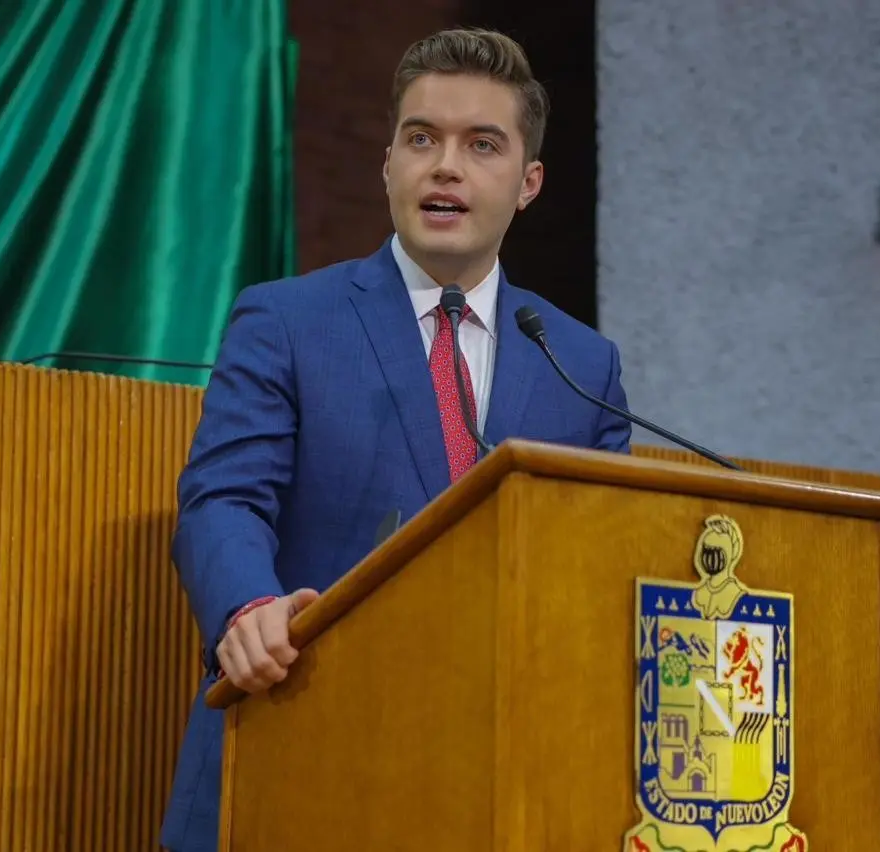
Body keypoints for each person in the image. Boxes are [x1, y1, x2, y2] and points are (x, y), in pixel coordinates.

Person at [159, 27, 633, 852]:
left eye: (481, 145)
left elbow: (604, 566)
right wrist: (249, 606)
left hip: (496, 785)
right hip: (297, 749)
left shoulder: (579, 363)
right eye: (422, 139)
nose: (445, 166)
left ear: (528, 183)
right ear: (388, 167)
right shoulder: (287, 320)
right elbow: (223, 500)